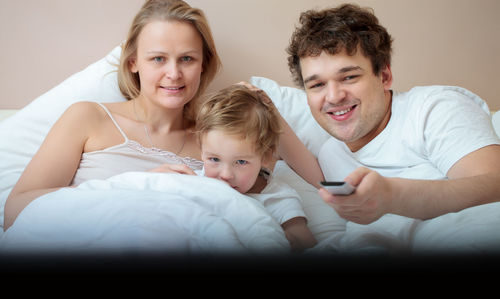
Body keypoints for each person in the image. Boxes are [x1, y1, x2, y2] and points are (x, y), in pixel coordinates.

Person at [3, 0, 221, 230]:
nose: (174, 73)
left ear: (203, 64)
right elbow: (15, 212)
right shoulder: (89, 118)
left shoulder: (214, 143)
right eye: (158, 58)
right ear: (133, 62)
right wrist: (132, 186)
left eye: (187, 58)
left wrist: (258, 120)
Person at [285, 3, 500, 224]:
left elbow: (495, 186)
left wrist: (394, 196)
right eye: (317, 84)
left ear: (384, 76)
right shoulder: (331, 155)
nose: (333, 96)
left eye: (349, 77)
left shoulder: (433, 108)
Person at [194, 84, 317, 252]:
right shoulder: (193, 181)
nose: (225, 175)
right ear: (201, 152)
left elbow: (304, 240)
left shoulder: (277, 198)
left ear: (266, 156)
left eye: (241, 162)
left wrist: (292, 241)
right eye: (214, 159)